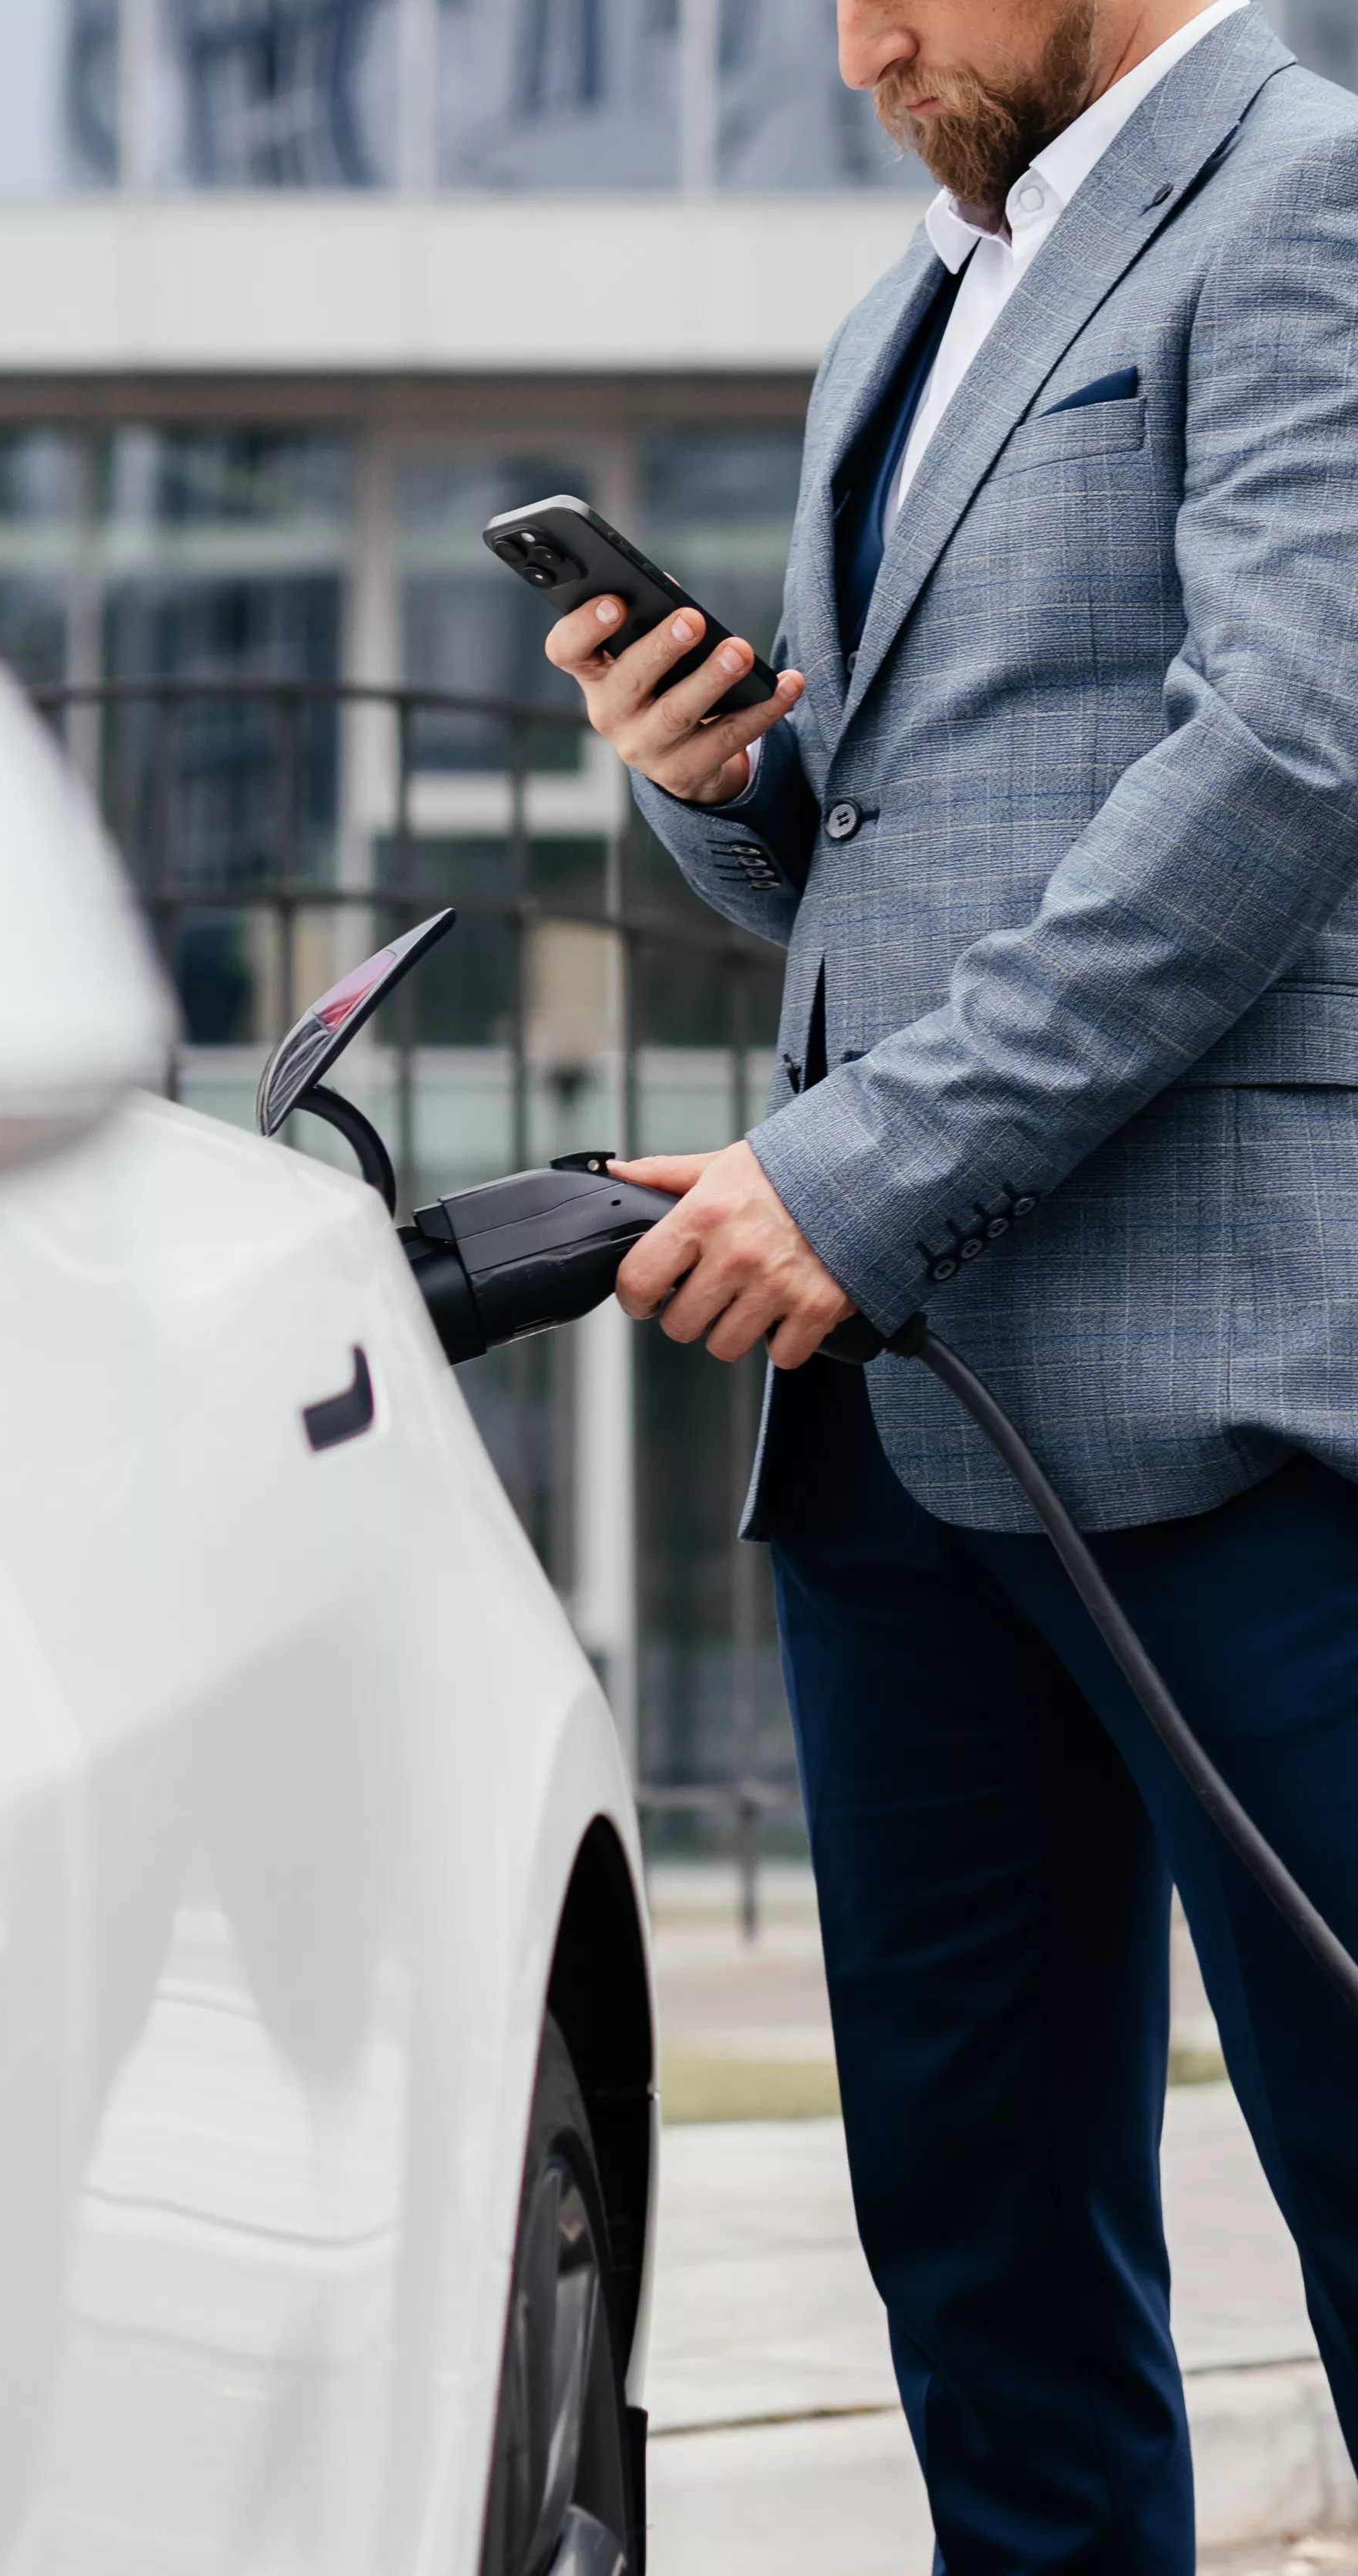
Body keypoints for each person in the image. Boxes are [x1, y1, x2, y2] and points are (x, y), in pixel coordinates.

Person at [546, 2, 1358, 2564]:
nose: (855, 38)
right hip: (904, 1440)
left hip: (1231, 1418)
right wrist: (724, 788)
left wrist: (855, 1171)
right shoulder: (897, 310)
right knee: (981, 2245)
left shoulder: (1302, 196)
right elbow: (890, 854)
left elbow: (1287, 764)